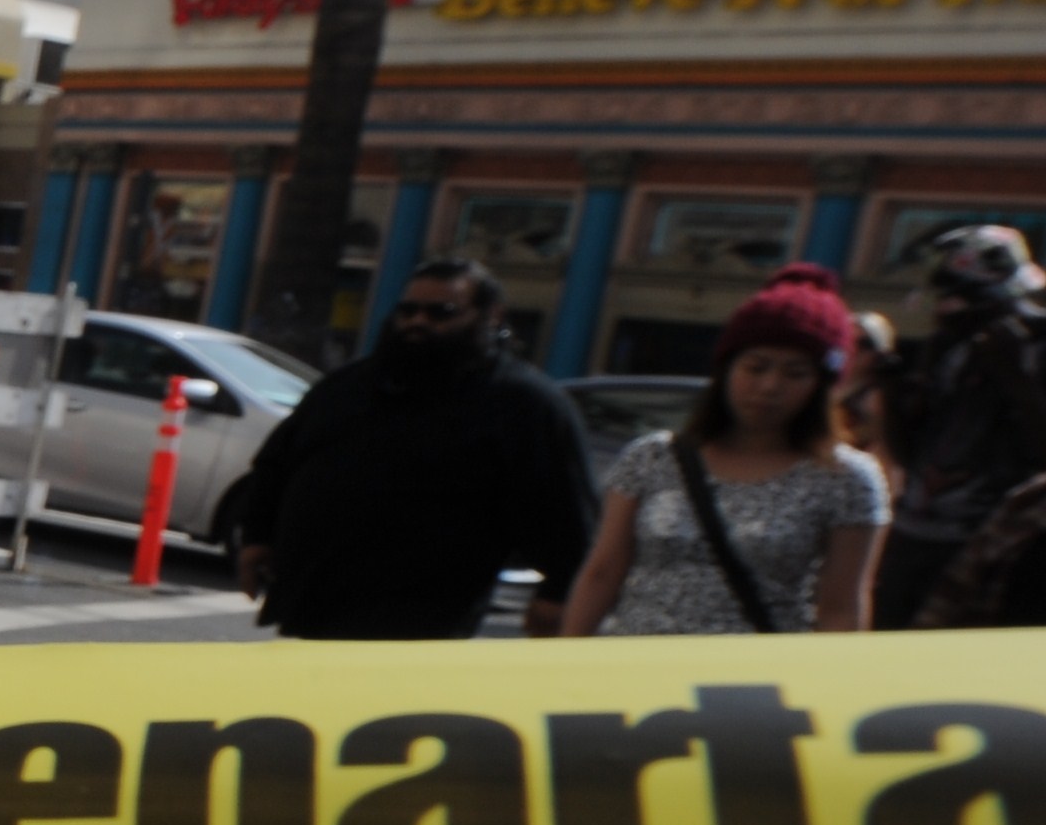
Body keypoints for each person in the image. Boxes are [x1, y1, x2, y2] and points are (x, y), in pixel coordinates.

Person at [234, 257, 599, 638]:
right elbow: (277, 462)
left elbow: (565, 508)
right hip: (314, 604)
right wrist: (257, 536)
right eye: (408, 310)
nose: (418, 323)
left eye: (440, 313)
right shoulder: (349, 386)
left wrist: (557, 596)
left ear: (490, 317)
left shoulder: (525, 403)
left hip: (424, 619)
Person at [557, 266, 887, 638]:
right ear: (726, 368)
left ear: (822, 386)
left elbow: (842, 608)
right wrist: (567, 658)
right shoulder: (651, 457)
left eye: (795, 373)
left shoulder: (848, 478)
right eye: (755, 366)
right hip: (635, 670)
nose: (769, 386)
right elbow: (602, 572)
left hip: (752, 682)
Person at [866, 223, 1046, 629]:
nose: (948, 309)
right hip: (918, 533)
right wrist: (892, 395)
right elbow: (911, 455)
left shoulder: (1034, 345)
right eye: (944, 296)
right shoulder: (948, 348)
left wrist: (1012, 377)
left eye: (962, 296)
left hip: (999, 542)